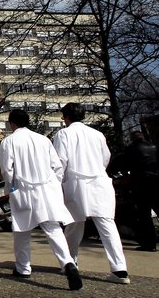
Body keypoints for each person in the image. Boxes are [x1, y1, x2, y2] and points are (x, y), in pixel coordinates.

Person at [0, 110, 82, 290]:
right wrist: (54, 185)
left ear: (12, 123)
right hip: (46, 190)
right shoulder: (43, 140)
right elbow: (57, 165)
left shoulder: (9, 141)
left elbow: (7, 169)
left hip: (23, 189)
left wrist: (10, 189)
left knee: (22, 230)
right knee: (53, 229)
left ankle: (23, 267)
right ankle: (68, 263)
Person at [53, 102, 130, 284]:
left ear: (66, 118)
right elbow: (106, 158)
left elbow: (59, 162)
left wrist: (57, 183)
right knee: (107, 226)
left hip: (76, 182)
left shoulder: (63, 134)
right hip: (99, 181)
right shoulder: (98, 134)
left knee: (73, 225)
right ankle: (120, 270)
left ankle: (69, 262)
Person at [122, 131, 158, 252]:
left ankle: (150, 243)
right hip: (156, 181)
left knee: (144, 215)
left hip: (141, 184)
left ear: (132, 138)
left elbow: (124, 165)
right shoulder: (154, 146)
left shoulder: (130, 150)